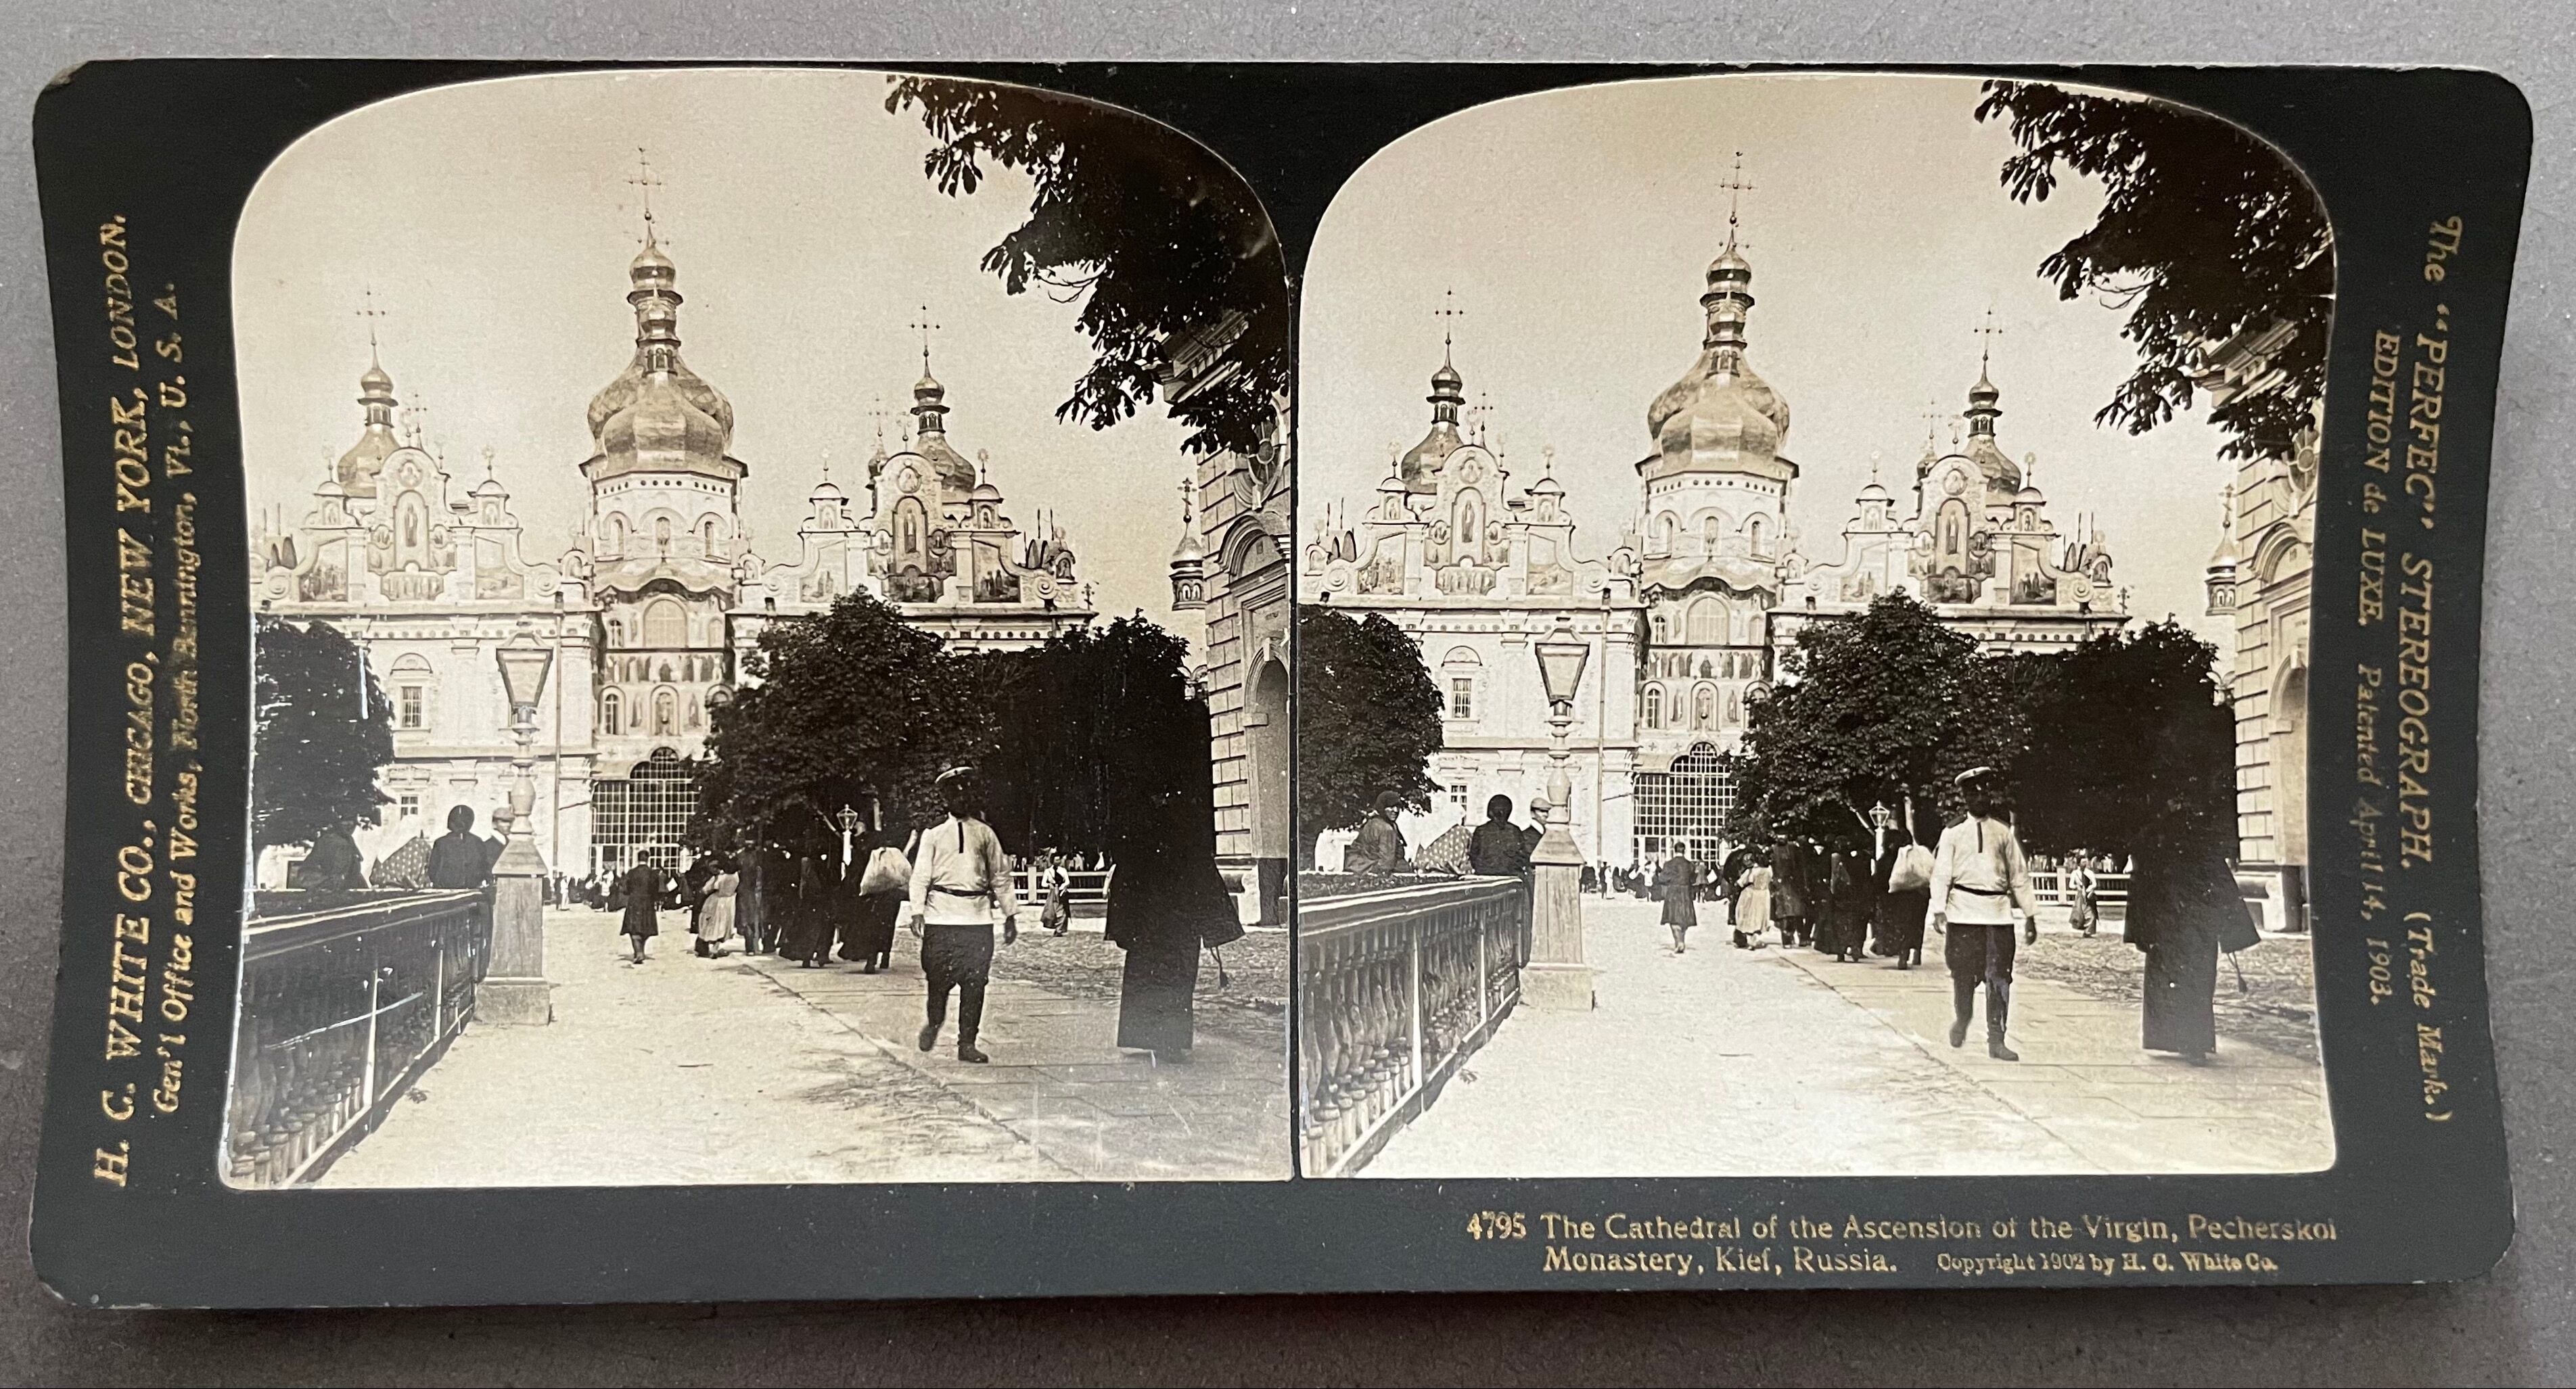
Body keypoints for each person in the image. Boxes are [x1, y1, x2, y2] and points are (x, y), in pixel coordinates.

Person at [1105, 772, 1239, 1061]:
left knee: (1151, 980)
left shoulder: (1141, 836)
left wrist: (1123, 926)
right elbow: (1204, 878)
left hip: (1154, 925)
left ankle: (1149, 1037)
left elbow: (1124, 882)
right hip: (1176, 924)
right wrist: (1214, 925)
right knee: (1173, 981)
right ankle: (1168, 1042)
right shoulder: (1182, 834)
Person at [906, 767, 1019, 1064]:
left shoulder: (985, 833)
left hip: (977, 920)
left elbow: (1001, 876)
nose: (961, 798)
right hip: (940, 919)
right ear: (946, 799)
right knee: (938, 982)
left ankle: (967, 1043)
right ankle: (934, 1022)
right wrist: (917, 910)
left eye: (965, 792)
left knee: (976, 983)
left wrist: (1010, 915)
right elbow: (920, 876)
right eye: (954, 793)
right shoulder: (933, 835)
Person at [1931, 767, 2040, 1060]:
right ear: (1964, 798)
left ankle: (1997, 1039)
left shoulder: (2003, 832)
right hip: (1963, 914)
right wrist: (1939, 909)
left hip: (1998, 915)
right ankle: (1963, 1017)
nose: (1980, 798)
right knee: (1963, 976)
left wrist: (2029, 915)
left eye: (1985, 792)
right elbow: (1941, 874)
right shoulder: (1952, 832)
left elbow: (2019, 875)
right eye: (1973, 793)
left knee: (2000, 978)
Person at [2128, 841, 2260, 1064]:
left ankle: (2185, 1041)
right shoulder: (2194, 847)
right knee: (2192, 984)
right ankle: (2190, 1042)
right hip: (2185, 930)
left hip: (2178, 930)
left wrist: (2141, 931)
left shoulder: (2157, 844)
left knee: (2185, 984)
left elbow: (2141, 888)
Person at [844, 818, 904, 972]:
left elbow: (854, 875)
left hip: (868, 896)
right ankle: (885, 956)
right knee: (887, 926)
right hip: (889, 895)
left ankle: (871, 959)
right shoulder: (890, 854)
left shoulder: (865, 856)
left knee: (869, 927)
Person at [1873, 820, 1932, 969]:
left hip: (1897, 896)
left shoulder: (1891, 857)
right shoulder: (1917, 854)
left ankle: (1902, 954)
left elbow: (1881, 879)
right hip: (1920, 895)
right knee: (1917, 924)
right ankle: (1916, 952)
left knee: (1901, 925)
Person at [618, 853, 667, 965]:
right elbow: (657, 890)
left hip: (634, 902)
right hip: (648, 903)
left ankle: (638, 952)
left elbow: (625, 889)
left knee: (633, 928)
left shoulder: (632, 873)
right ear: (648, 859)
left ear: (638, 859)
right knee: (646, 928)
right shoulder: (652, 874)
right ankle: (641, 951)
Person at [427, 805, 492, 890]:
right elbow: (433, 870)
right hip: (458, 892)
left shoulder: (477, 842)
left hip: (463, 892)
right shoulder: (442, 843)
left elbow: (433, 870)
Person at [1346, 791, 1410, 876]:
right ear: (1382, 807)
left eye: (1397, 807)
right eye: (1390, 807)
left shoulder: (1376, 822)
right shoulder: (1386, 829)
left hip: (1356, 866)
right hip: (1369, 869)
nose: (1395, 811)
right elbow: (1387, 862)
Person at [1654, 843, 1698, 954]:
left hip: (1673, 892)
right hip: (1686, 893)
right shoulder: (1690, 865)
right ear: (1684, 851)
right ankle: (1681, 941)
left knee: (1673, 918)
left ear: (1675, 850)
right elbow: (1693, 880)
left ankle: (1679, 942)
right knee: (1684, 918)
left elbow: (1662, 879)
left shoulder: (1669, 864)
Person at [695, 857, 740, 958]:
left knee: (710, 923)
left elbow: (706, 889)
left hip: (717, 901)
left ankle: (704, 947)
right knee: (724, 926)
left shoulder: (720, 877)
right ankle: (715, 948)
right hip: (730, 901)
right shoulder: (736, 876)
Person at [1771, 839, 1812, 948]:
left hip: (1794, 885)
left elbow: (1801, 867)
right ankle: (1787, 939)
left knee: (1797, 913)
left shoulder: (1793, 849)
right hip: (1781, 886)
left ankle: (1801, 937)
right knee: (1786, 914)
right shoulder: (1773, 850)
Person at [1733, 855, 1772, 951]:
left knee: (1748, 915)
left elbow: (1742, 882)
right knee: (1760, 916)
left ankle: (1748, 937)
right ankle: (1755, 936)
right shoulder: (1769, 870)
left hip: (1752, 894)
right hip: (1764, 894)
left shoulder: (1752, 871)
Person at [2067, 858, 2100, 937]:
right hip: (2080, 895)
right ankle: (2081, 927)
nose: (2085, 864)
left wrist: (2089, 889)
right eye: (2083, 862)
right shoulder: (2075, 873)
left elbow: (2094, 884)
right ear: (2079, 863)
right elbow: (2070, 885)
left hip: (2089, 894)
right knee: (2081, 912)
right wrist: (2077, 886)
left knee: (2091, 912)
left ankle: (2089, 931)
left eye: (2086, 862)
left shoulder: (2090, 873)